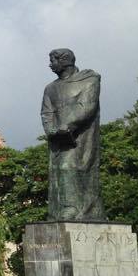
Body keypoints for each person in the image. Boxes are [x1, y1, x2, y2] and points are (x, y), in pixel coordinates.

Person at [41, 48, 103, 222]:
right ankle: (62, 208)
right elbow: (47, 112)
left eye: (53, 60)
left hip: (81, 136)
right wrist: (51, 130)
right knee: (57, 171)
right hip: (58, 139)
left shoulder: (89, 80)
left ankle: (74, 208)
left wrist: (67, 126)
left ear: (65, 60)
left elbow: (87, 106)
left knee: (69, 167)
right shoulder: (50, 88)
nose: (50, 64)